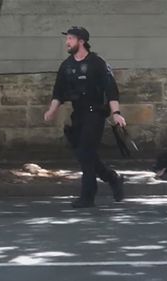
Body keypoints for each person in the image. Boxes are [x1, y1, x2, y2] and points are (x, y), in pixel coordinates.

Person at [44, 26, 127, 208]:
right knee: (85, 155)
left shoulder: (97, 62)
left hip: (95, 113)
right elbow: (58, 92)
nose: (67, 42)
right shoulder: (66, 65)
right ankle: (113, 178)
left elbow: (111, 90)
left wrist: (116, 113)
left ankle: (87, 196)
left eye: (71, 39)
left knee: (85, 153)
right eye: (67, 39)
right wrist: (52, 110)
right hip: (78, 114)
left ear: (81, 41)